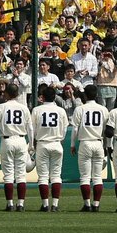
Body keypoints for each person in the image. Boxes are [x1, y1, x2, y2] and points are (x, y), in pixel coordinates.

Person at [0, 82, 33, 211]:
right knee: (21, 175)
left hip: (7, 140)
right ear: (18, 94)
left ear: (6, 93)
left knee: (8, 174)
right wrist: (31, 144)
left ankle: (10, 203)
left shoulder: (0, 107)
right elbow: (30, 128)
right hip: (21, 140)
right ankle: (20, 203)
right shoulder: (24, 108)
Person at [70, 83, 111, 212]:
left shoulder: (80, 109)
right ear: (97, 95)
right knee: (97, 177)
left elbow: (75, 129)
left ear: (85, 95)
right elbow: (107, 131)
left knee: (85, 177)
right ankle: (96, 204)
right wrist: (106, 145)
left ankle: (87, 204)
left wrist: (72, 144)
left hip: (85, 142)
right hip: (98, 142)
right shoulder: (103, 109)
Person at [31, 83, 68, 211]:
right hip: (57, 143)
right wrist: (59, 139)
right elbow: (64, 130)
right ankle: (55, 205)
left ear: (42, 97)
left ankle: (45, 204)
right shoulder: (61, 110)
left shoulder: (37, 110)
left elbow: (32, 130)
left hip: (42, 143)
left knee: (43, 176)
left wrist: (32, 144)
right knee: (56, 175)